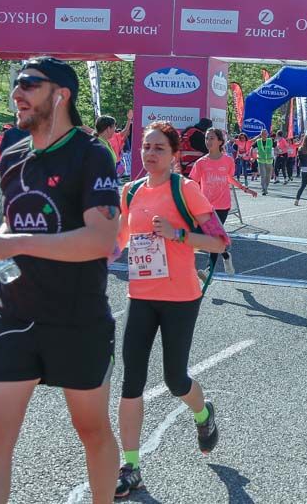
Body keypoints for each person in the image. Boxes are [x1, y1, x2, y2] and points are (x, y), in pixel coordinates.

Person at [0, 57, 121, 503]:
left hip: (77, 318)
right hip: (14, 313)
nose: (17, 93)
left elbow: (99, 239)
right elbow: (8, 230)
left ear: (61, 94)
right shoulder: (11, 155)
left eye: (28, 84)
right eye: (16, 86)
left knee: (91, 432)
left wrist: (15, 244)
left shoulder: (92, 154)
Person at [115, 121, 228, 496]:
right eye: (146, 147)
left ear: (174, 154)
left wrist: (178, 234)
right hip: (140, 295)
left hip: (180, 297)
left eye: (159, 148)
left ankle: (203, 413)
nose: (150, 153)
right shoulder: (129, 193)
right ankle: (130, 466)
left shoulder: (186, 189)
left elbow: (219, 241)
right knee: (131, 381)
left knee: (175, 379)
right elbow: (115, 241)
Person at [190, 128, 257, 276]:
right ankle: (226, 255)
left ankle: (208, 271)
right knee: (206, 237)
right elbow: (192, 184)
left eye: (212, 138)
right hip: (205, 206)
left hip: (222, 206)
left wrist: (245, 189)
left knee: (213, 237)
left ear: (220, 141)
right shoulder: (201, 163)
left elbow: (229, 178)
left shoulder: (227, 160)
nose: (208, 141)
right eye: (207, 138)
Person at [252, 129, 274, 195]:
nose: (264, 135)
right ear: (261, 135)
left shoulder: (270, 140)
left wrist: (278, 151)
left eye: (265, 134)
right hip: (261, 160)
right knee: (263, 175)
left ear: (267, 135)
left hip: (269, 161)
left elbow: (275, 147)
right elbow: (252, 148)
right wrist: (253, 156)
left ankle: (266, 187)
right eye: (262, 134)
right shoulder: (258, 141)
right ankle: (264, 189)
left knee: (268, 176)